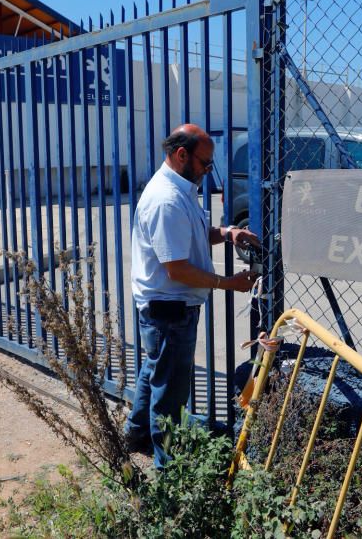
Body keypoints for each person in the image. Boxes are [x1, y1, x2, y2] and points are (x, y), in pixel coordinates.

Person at [124, 123, 260, 468]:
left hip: (166, 307)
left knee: (156, 371)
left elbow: (194, 234)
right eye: (206, 164)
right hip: (169, 309)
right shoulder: (166, 200)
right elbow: (178, 269)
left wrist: (227, 233)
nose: (208, 171)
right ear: (181, 155)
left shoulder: (181, 188)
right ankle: (168, 469)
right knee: (170, 393)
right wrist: (228, 282)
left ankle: (136, 432)